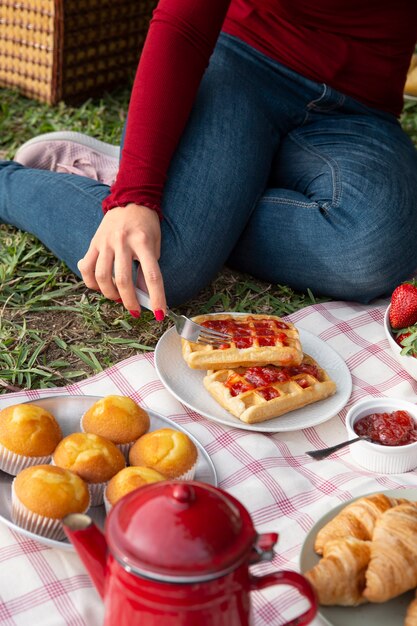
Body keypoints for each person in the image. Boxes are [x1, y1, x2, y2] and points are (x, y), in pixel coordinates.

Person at [1, 0, 417, 322]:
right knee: (163, 265)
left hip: (358, 112)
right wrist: (135, 194)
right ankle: (12, 182)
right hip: (243, 62)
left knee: (369, 251)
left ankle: (192, 182)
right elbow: (183, 23)